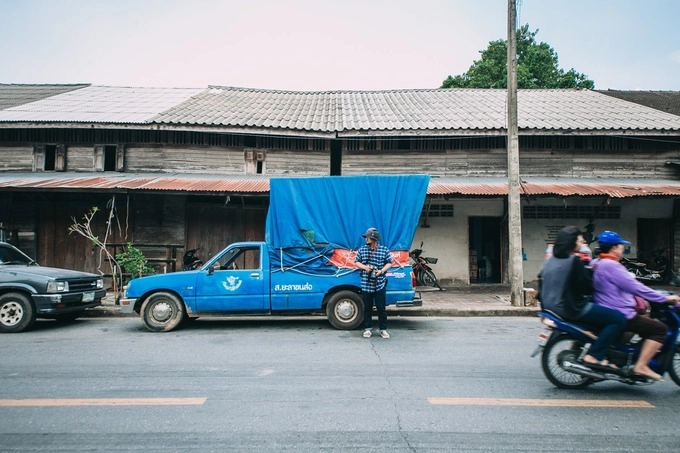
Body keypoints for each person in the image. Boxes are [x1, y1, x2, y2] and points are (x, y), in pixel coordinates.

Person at [592, 230, 680, 381]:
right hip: (620, 312)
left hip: (610, 308)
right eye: (621, 246)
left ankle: (627, 358)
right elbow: (635, 287)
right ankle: (641, 365)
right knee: (660, 329)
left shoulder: (598, 262)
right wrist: (664, 298)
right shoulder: (612, 266)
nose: (622, 249)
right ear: (614, 248)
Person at [538, 226, 627, 370]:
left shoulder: (550, 260)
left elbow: (541, 286)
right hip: (571, 308)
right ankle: (595, 355)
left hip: (550, 308)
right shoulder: (574, 261)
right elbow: (585, 288)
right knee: (618, 319)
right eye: (580, 241)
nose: (582, 244)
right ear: (571, 242)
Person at [354, 227, 393, 339]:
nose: (366, 239)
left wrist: (381, 271)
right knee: (367, 307)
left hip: (380, 282)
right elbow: (356, 262)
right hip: (366, 284)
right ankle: (367, 329)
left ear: (374, 238)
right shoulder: (362, 250)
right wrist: (365, 268)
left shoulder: (384, 250)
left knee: (381, 308)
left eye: (368, 237)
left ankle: (383, 329)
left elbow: (390, 262)